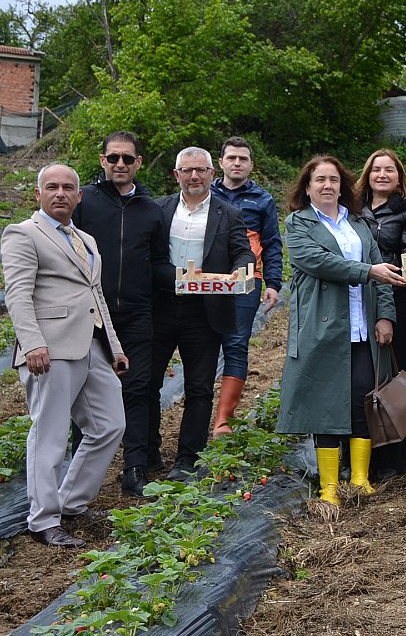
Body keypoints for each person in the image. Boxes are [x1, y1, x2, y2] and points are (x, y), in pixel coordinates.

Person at [2, 163, 128, 547]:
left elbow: (96, 294)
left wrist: (115, 347)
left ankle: (71, 501)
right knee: (50, 434)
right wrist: (32, 343)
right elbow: (18, 295)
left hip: (91, 345)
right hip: (49, 349)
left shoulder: (85, 239)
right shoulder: (23, 234)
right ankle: (43, 519)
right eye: (52, 187)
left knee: (110, 425)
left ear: (79, 196)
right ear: (39, 194)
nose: (60, 193)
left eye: (68, 188)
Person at [277, 155, 401, 505]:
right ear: (307, 187)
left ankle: (360, 478)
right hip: (322, 329)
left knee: (365, 400)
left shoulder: (358, 224)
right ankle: (330, 485)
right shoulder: (298, 224)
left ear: (342, 186)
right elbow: (316, 261)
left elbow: (383, 276)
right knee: (324, 405)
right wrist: (367, 271)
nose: (328, 185)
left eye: (333, 180)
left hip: (363, 327)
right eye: (320, 180)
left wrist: (385, 316)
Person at [72, 131, 169, 497]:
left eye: (128, 159)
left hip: (137, 313)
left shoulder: (150, 210)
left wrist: (189, 280)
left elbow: (158, 261)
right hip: (92, 315)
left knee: (139, 388)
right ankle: (80, 471)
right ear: (102, 161)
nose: (120, 165)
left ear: (138, 163)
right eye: (113, 158)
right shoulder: (87, 203)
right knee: (84, 391)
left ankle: (135, 467)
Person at [151, 147, 254, 478]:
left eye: (201, 170)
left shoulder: (230, 214)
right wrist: (179, 279)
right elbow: (151, 258)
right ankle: (147, 452)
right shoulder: (159, 210)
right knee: (147, 383)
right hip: (163, 306)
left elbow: (242, 252)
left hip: (204, 311)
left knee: (198, 387)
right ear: (176, 174)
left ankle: (187, 457)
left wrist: (242, 271)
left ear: (212, 173)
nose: (194, 176)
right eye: (187, 170)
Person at [356, 148, 406, 481]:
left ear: (399, 177)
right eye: (376, 169)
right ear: (367, 174)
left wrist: (387, 270)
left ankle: (395, 456)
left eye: (390, 170)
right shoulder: (353, 210)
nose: (382, 175)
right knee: (363, 373)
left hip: (400, 297)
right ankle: (363, 453)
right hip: (360, 297)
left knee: (398, 374)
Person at [210, 136, 283, 437]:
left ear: (251, 164)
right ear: (221, 162)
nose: (237, 163)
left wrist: (274, 283)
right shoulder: (205, 193)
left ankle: (223, 420)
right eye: (231, 158)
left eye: (243, 159)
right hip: (206, 280)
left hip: (245, 282)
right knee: (202, 345)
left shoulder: (262, 199)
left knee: (237, 345)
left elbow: (272, 243)